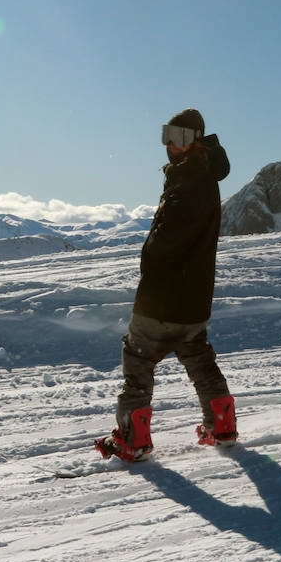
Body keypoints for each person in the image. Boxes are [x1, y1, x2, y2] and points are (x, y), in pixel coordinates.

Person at [96, 109, 237, 462]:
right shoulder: (204, 174)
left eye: (182, 137)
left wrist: (150, 262)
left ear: (196, 140)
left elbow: (167, 240)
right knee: (198, 357)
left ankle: (134, 439)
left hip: (163, 296)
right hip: (194, 297)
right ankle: (221, 426)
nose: (173, 144)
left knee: (138, 361)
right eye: (168, 135)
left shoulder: (188, 178)